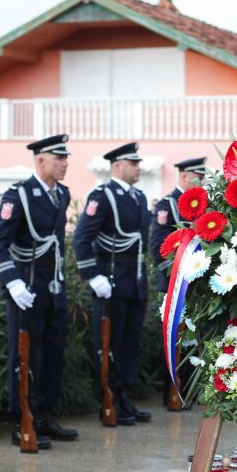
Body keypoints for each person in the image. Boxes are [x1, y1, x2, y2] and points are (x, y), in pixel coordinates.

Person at [0, 135, 78, 447]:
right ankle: (22, 417)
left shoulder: (62, 194)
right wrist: (11, 282)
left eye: (65, 158)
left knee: (53, 353)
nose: (65, 163)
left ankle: (45, 415)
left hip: (54, 284)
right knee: (26, 354)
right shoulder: (19, 195)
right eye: (59, 158)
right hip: (26, 284)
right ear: (40, 160)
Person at [73, 142, 151, 424]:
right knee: (110, 345)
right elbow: (81, 238)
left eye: (138, 163)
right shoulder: (103, 196)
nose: (138, 167)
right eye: (133, 163)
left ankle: (124, 397)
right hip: (112, 281)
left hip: (135, 283)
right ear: (117, 166)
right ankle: (109, 398)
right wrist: (93, 276)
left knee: (130, 344)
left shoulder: (139, 197)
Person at [150, 156, 205, 409]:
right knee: (175, 337)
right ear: (184, 176)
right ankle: (173, 389)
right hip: (174, 284)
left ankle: (193, 389)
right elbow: (157, 246)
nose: (202, 181)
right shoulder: (167, 204)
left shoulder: (204, 204)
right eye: (198, 176)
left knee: (195, 337)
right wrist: (176, 274)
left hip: (197, 282)